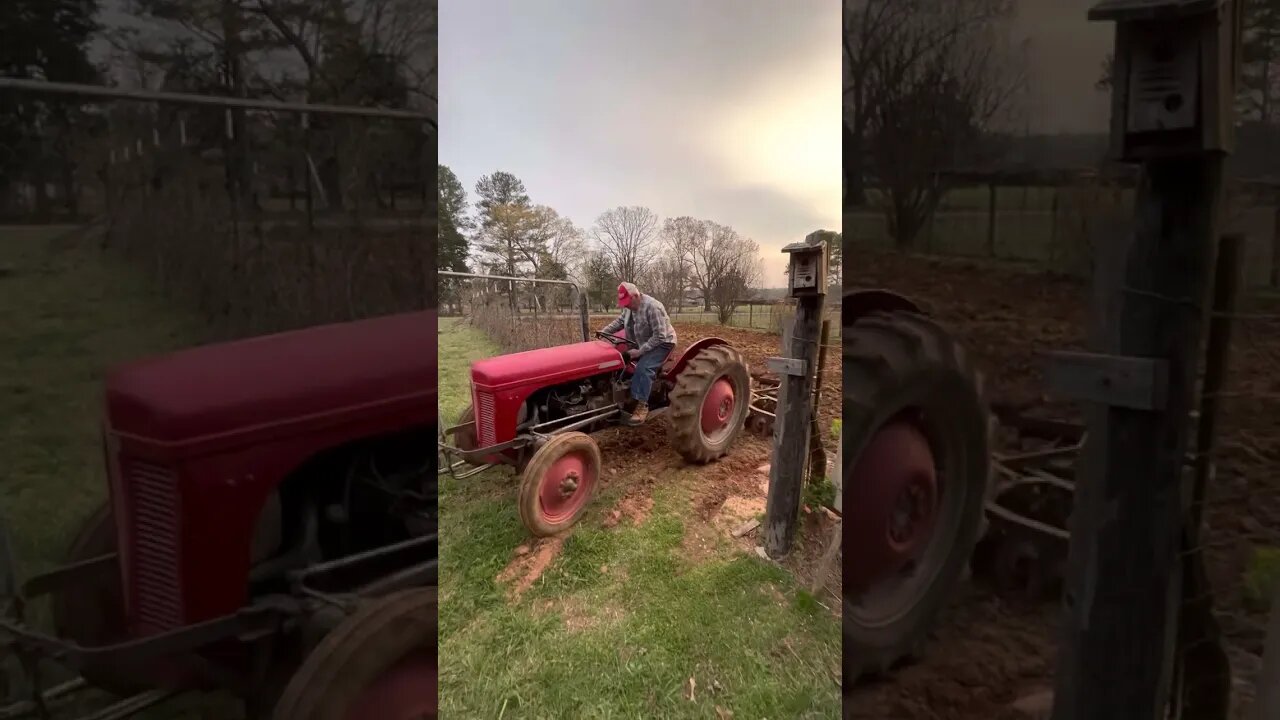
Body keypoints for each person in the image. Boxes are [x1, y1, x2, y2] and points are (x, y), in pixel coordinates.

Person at [600, 281, 677, 425]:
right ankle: (622, 397)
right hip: (643, 341)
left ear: (636, 295)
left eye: (628, 302)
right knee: (620, 362)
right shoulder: (629, 308)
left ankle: (642, 405)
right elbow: (620, 322)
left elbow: (660, 336)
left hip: (663, 343)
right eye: (624, 303)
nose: (626, 305)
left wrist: (640, 351)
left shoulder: (653, 307)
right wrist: (603, 333)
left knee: (643, 368)